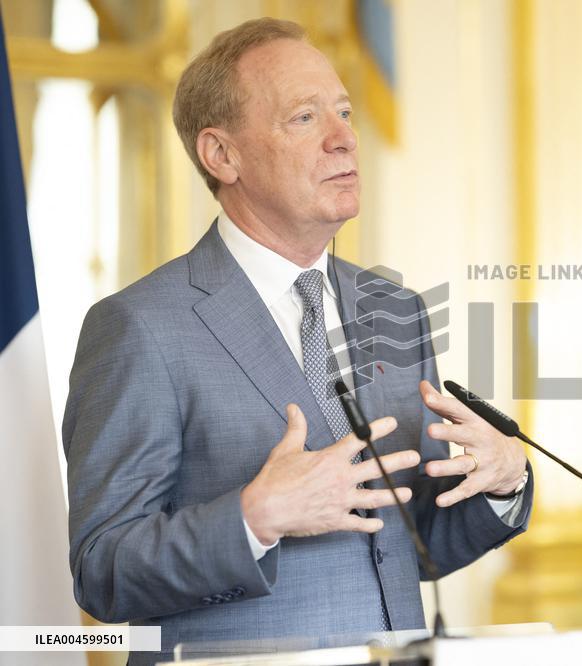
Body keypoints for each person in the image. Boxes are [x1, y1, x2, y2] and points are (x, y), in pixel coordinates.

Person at [63, 18, 532, 665]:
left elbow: (408, 543)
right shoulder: (141, 326)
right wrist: (254, 517)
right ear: (221, 154)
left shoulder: (395, 309)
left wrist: (500, 482)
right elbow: (102, 569)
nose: (345, 138)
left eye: (343, 110)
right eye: (305, 118)